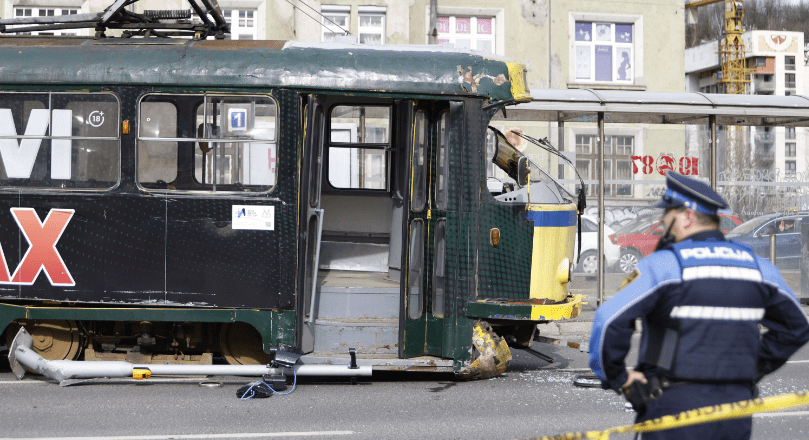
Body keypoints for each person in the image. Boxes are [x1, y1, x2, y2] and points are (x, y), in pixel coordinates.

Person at [589, 171, 809, 440]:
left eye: (666, 214)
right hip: (735, 409)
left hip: (673, 407)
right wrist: (752, 367)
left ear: (687, 217)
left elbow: (608, 320)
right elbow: (796, 327)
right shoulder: (759, 268)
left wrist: (618, 378)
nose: (661, 221)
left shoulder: (666, 265)